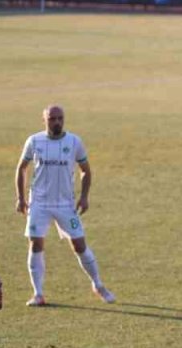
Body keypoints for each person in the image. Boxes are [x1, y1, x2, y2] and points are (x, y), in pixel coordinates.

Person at [14, 105, 116, 307]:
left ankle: (97, 284)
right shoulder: (34, 141)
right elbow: (21, 168)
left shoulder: (74, 142)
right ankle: (38, 294)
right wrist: (21, 198)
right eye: (52, 118)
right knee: (35, 243)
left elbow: (85, 170)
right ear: (44, 120)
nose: (57, 122)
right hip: (39, 203)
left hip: (65, 204)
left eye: (60, 118)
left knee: (79, 244)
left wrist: (85, 197)